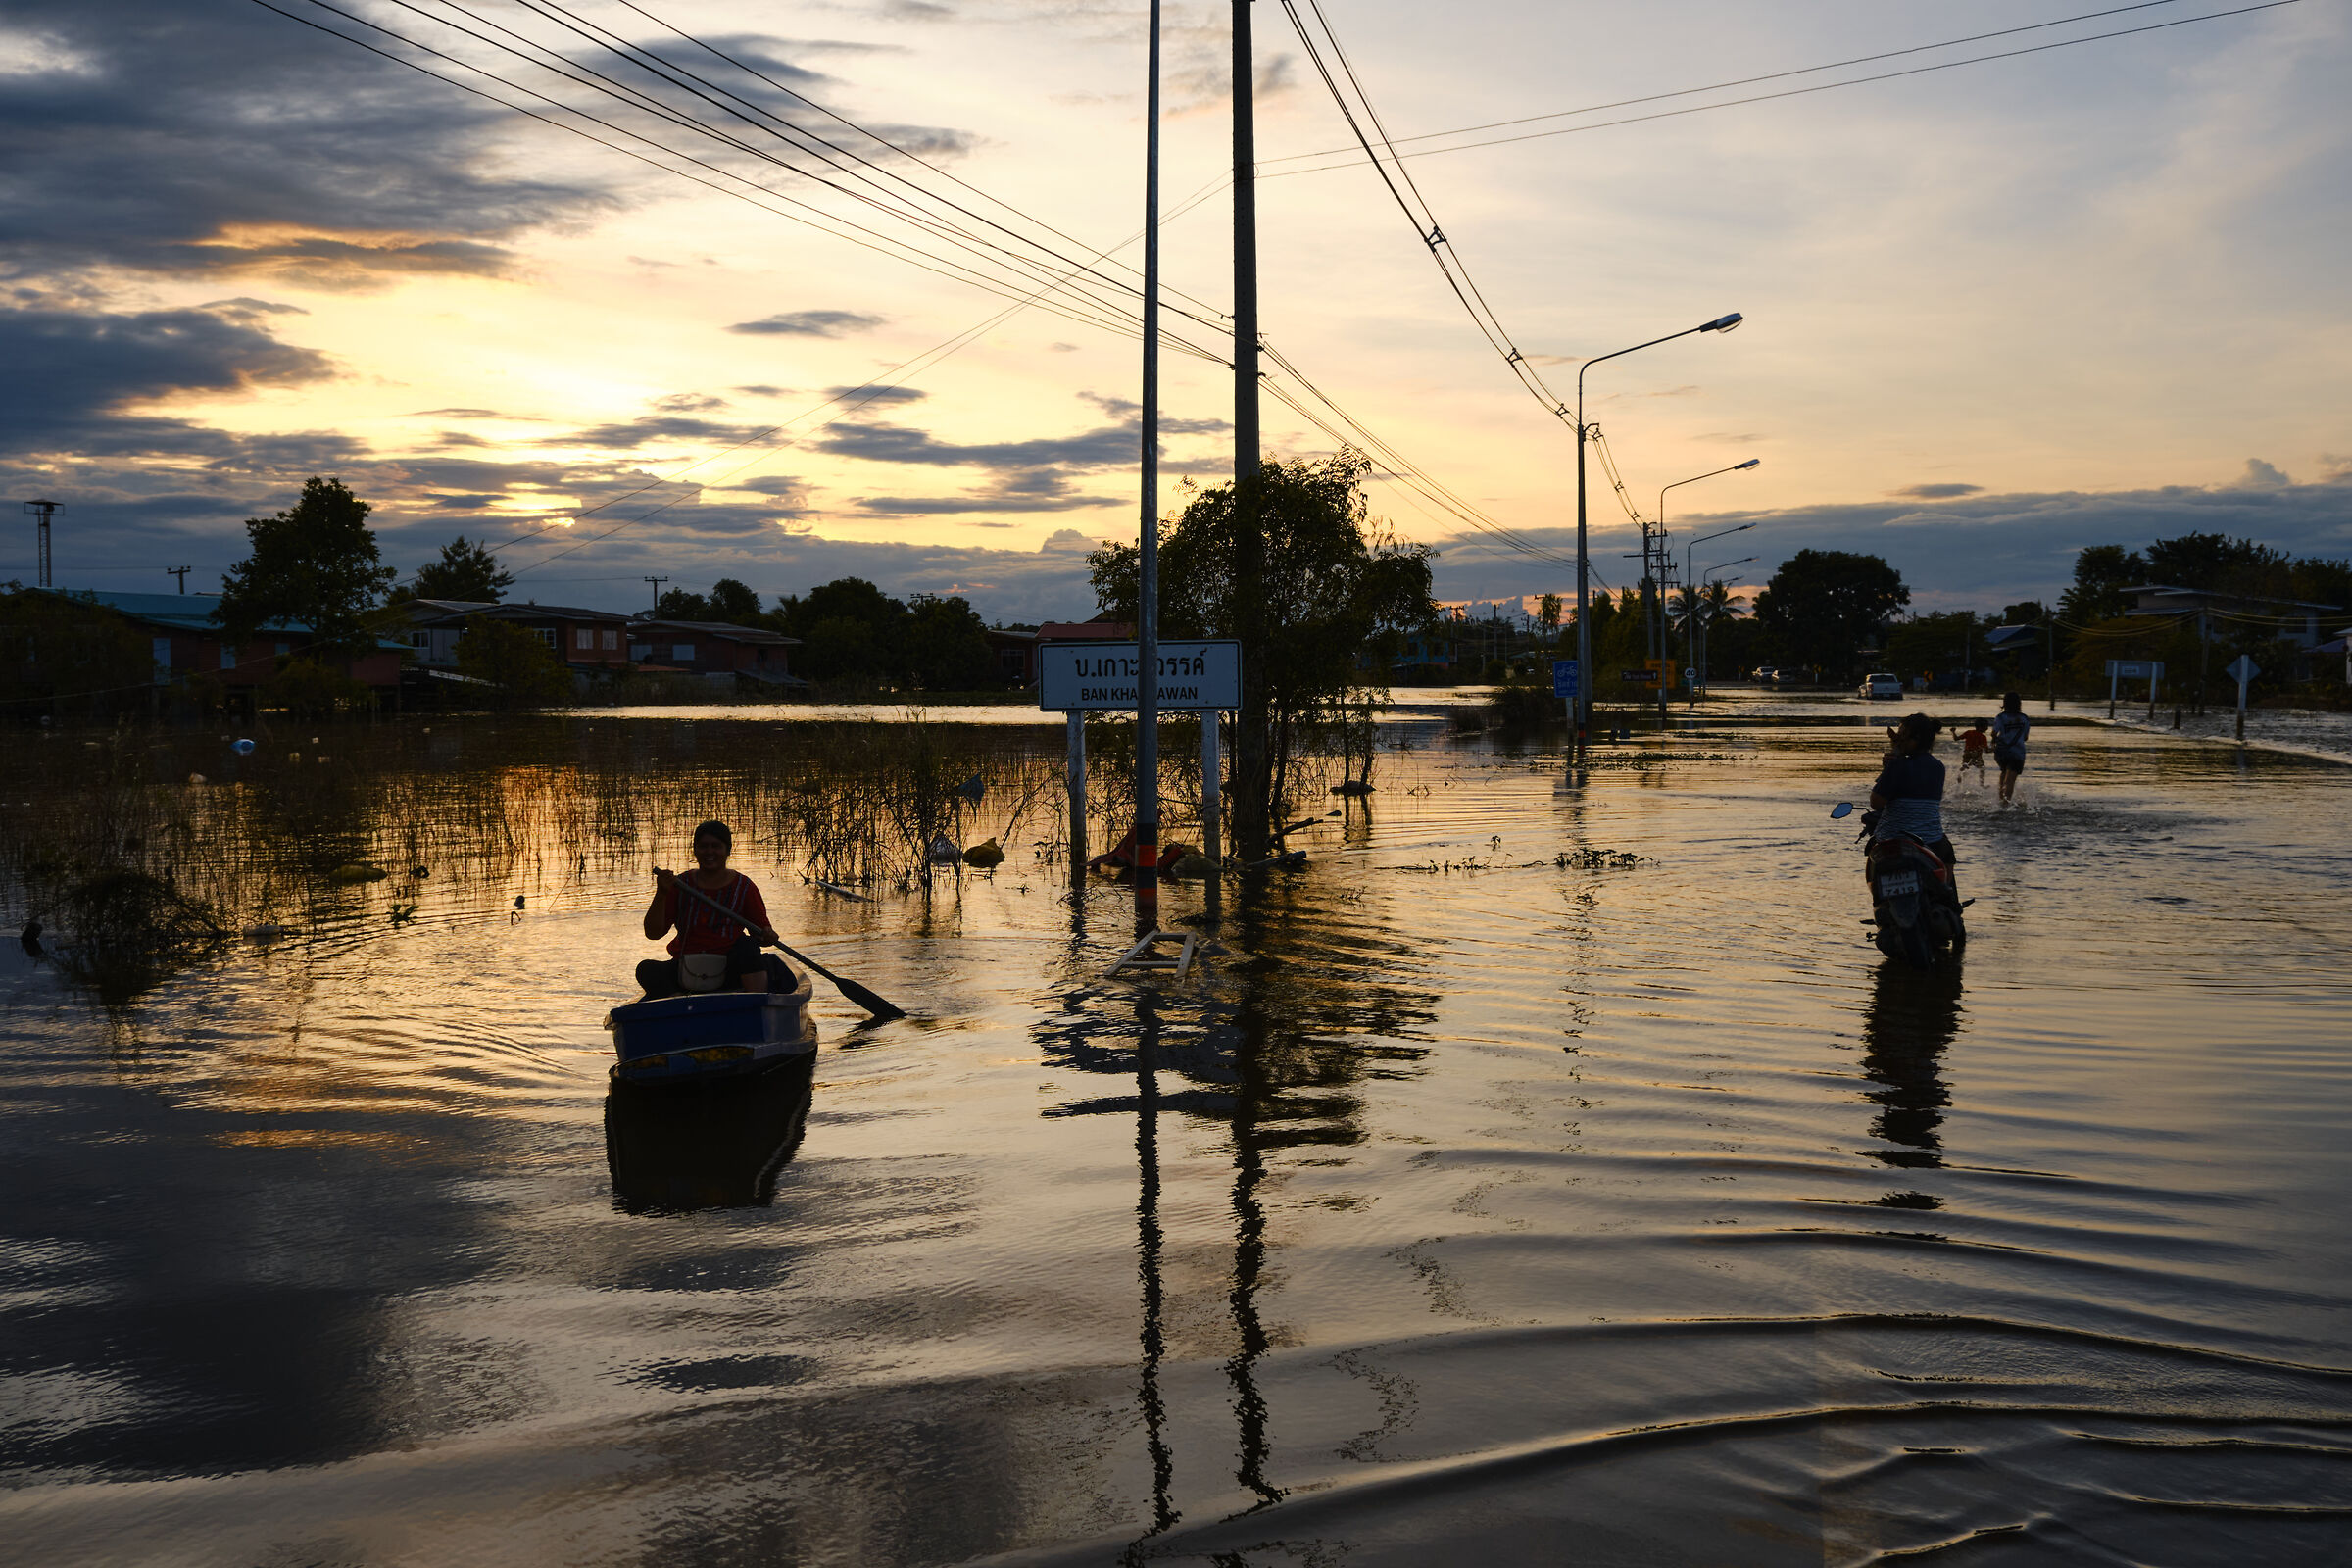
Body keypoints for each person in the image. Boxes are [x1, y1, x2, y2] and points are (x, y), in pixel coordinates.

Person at [637, 819, 791, 998]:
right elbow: (653, 933)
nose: (709, 852)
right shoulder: (679, 885)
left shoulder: (744, 887)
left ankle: (755, 1003)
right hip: (687, 967)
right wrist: (661, 893)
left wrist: (768, 935)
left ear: (727, 850)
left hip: (730, 969)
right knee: (646, 969)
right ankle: (678, 1002)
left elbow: (761, 934)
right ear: (695, 850)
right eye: (703, 846)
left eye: (716, 846)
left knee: (748, 946)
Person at [1870, 712, 1956, 878]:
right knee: (1947, 855)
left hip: (1892, 839)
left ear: (1914, 739)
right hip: (1932, 841)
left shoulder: (1897, 766)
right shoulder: (1938, 767)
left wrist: (1888, 769)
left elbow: (1876, 802)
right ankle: (1949, 898)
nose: (1897, 739)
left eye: (1901, 735)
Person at [1989, 690, 2032, 805]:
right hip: (2017, 752)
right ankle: (2005, 804)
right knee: (2011, 779)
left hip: (2001, 752)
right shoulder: (2024, 718)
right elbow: (2025, 738)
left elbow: (1994, 733)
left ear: (2005, 703)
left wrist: (1994, 741)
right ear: (2019, 703)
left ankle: (2000, 801)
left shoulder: (2000, 717)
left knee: (2004, 773)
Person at [1947, 719, 1989, 785]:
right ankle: (1981, 785)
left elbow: (1956, 739)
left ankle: (1958, 782)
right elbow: (1987, 750)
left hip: (1967, 753)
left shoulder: (1969, 732)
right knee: (1982, 769)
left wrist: (1953, 732)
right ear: (1980, 727)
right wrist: (1995, 749)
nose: (1987, 728)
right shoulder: (1983, 737)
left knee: (1964, 767)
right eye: (1986, 726)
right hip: (1976, 755)